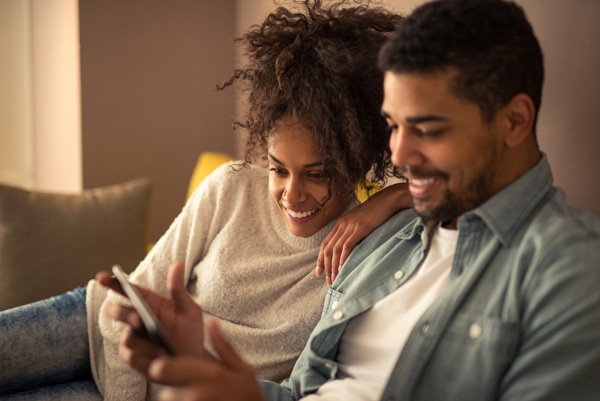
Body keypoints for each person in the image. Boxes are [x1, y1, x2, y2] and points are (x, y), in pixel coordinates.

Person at [104, 0, 600, 400]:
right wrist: (205, 364)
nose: (399, 154)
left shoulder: (570, 268)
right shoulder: (392, 240)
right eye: (395, 126)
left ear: (514, 122)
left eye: (426, 128)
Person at [0, 1, 408, 400]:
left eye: (318, 174)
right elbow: (131, 303)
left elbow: (465, 196)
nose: (293, 194)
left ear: (357, 161)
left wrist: (393, 196)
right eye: (278, 169)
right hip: (95, 327)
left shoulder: (365, 252)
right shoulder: (230, 187)